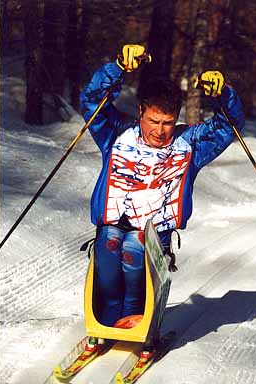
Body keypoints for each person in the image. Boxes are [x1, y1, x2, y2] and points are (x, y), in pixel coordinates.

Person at [80, 44, 245, 328]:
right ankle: (107, 316)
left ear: (176, 117)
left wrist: (223, 95)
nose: (160, 130)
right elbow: (92, 101)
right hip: (113, 223)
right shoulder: (118, 134)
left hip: (155, 236)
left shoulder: (189, 145)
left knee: (134, 246)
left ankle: (134, 316)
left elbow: (228, 126)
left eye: (168, 122)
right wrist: (118, 68)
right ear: (141, 111)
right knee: (109, 242)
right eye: (153, 121)